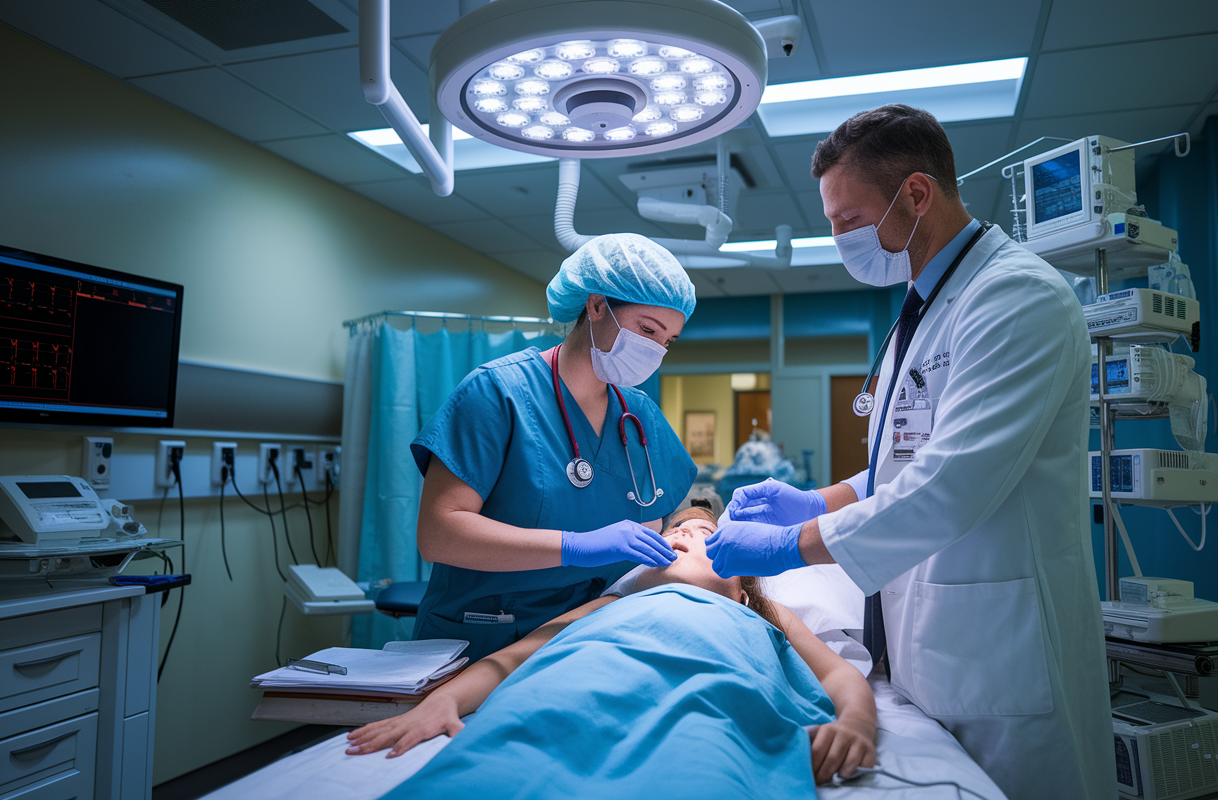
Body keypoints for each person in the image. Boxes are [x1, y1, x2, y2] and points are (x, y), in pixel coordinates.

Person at [704, 105, 1115, 799]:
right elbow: (906, 463)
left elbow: (952, 481)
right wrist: (820, 499)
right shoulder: (922, 310)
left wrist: (787, 545)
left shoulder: (1016, 298)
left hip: (1001, 649)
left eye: (847, 220)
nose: (838, 238)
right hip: (927, 647)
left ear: (915, 194)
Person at [346, 507, 878, 799]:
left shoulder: (758, 614)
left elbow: (837, 675)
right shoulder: (610, 603)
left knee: (705, 771)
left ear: (742, 582)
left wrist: (854, 723)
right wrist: (444, 700)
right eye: (675, 530)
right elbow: (517, 657)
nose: (683, 535)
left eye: (704, 535)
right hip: (575, 688)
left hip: (709, 698)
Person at [407, 233, 698, 660]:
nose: (655, 350)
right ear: (597, 305)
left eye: (667, 341)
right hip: (484, 639)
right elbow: (438, 534)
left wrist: (700, 522)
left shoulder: (639, 414)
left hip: (592, 637)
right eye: (647, 329)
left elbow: (674, 507)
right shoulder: (496, 393)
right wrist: (574, 546)